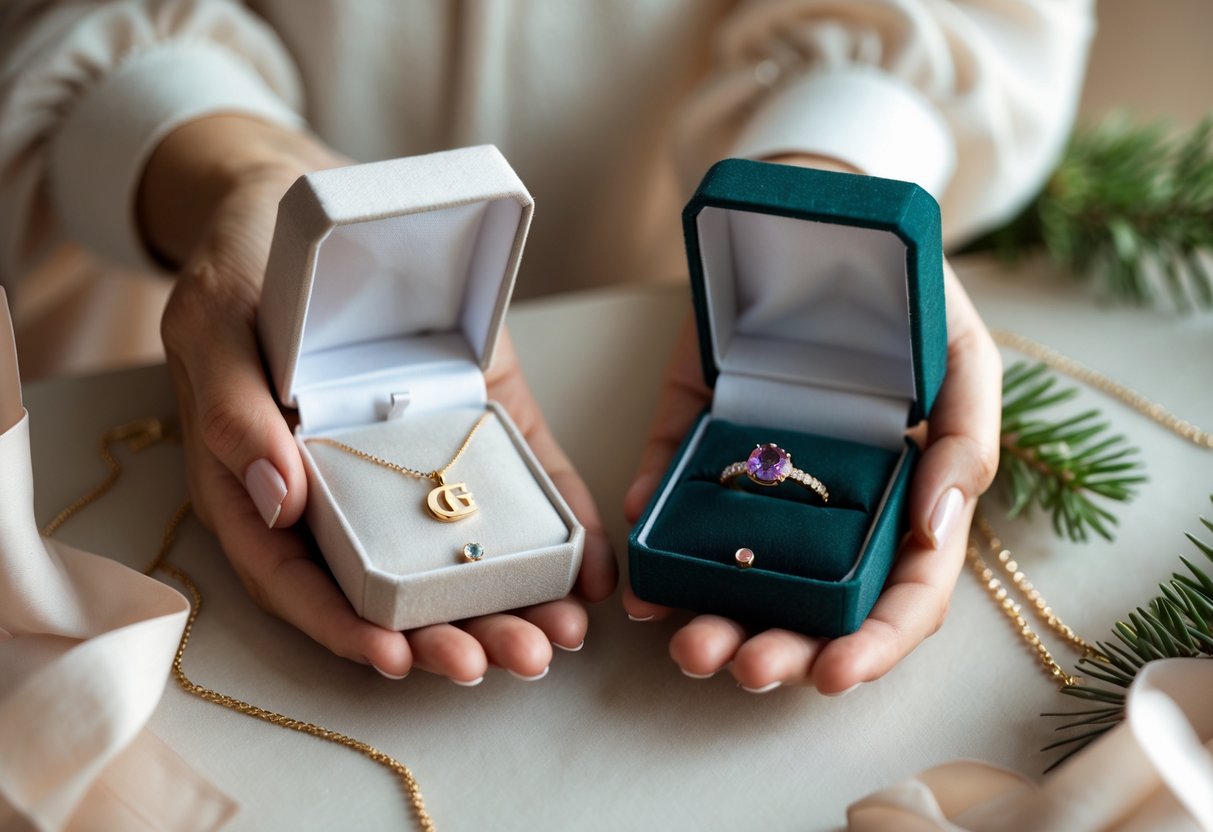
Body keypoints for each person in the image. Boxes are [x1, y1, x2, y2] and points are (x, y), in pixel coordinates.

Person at [0, 0, 1094, 689]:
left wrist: (816, 207)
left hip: (657, 293)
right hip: (163, 313)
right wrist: (241, 179)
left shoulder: (770, 455)